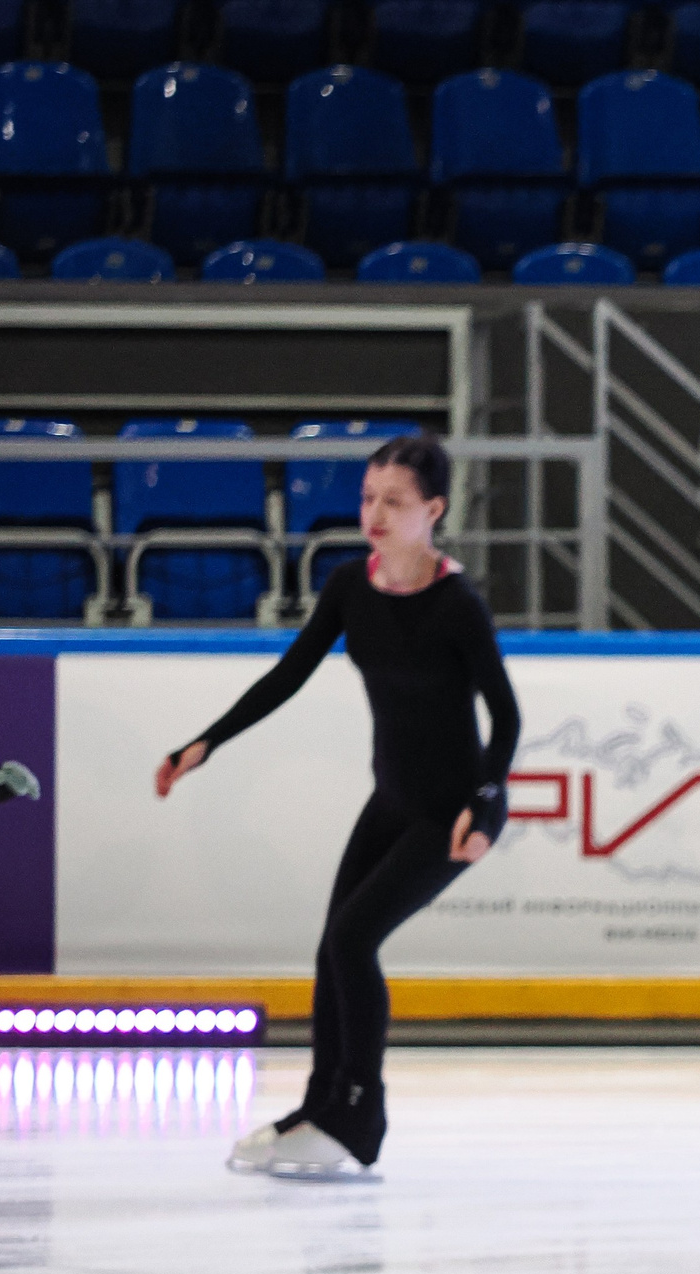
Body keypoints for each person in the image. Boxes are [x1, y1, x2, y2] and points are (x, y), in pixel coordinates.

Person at [156, 434, 517, 1182]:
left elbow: (505, 718)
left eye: (394, 501)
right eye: (366, 498)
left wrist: (484, 805)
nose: (375, 513)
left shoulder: (458, 605)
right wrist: (206, 742)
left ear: (434, 509)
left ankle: (360, 1114)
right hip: (391, 799)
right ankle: (321, 1106)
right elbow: (287, 674)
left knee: (354, 941)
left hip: (450, 813)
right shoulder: (352, 585)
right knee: (332, 948)